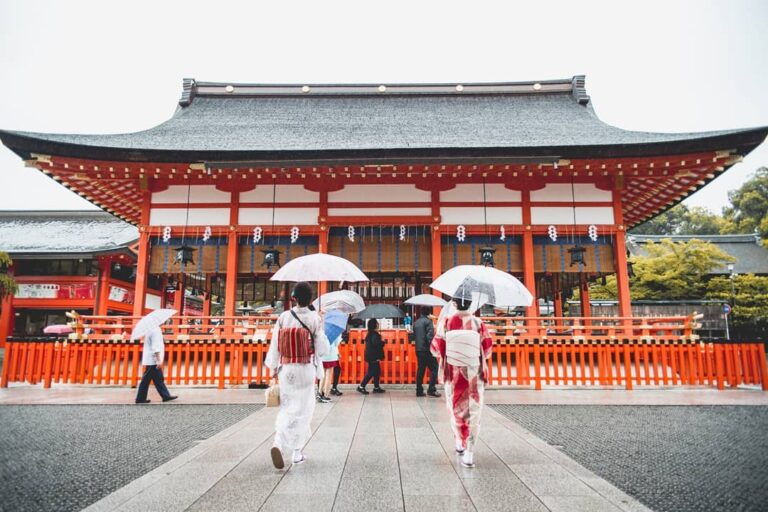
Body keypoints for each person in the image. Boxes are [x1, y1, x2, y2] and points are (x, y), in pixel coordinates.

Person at [265, 282, 329, 469]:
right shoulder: (314, 318)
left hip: (287, 368)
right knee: (304, 409)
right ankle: (296, 452)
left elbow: (276, 345)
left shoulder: (284, 317)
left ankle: (278, 441)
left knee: (286, 407)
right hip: (306, 368)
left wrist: (273, 368)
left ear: (294, 298)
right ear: (310, 299)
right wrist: (321, 325)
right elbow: (322, 349)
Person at [431, 297, 493, 468]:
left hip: (453, 372)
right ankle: (470, 452)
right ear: (471, 304)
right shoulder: (478, 323)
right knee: (473, 411)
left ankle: (459, 441)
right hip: (474, 372)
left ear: (454, 304)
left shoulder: (446, 321)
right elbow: (487, 350)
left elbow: (435, 349)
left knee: (456, 407)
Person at [135, 325, 177, 404]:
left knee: (158, 379)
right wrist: (158, 360)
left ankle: (165, 396)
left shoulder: (151, 328)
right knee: (146, 379)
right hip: (153, 360)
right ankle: (140, 398)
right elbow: (155, 346)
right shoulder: (156, 330)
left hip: (151, 358)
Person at [413, 306, 440, 398]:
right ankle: (431, 389)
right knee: (435, 368)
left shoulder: (416, 322)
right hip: (427, 349)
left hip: (418, 349)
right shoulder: (428, 322)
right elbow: (429, 337)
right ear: (429, 313)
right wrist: (433, 348)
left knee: (421, 369)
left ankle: (419, 390)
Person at [357, 318, 385, 395]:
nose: (378, 325)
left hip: (371, 355)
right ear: (375, 325)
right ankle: (361, 386)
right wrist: (382, 342)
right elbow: (376, 343)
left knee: (377, 371)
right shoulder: (374, 334)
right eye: (377, 323)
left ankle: (376, 387)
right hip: (373, 356)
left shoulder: (370, 333)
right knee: (371, 372)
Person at [318, 332, 341, 402]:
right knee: (329, 375)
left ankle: (319, 393)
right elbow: (337, 343)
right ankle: (326, 395)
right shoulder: (335, 331)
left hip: (322, 355)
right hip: (330, 355)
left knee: (323, 375)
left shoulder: (320, 330)